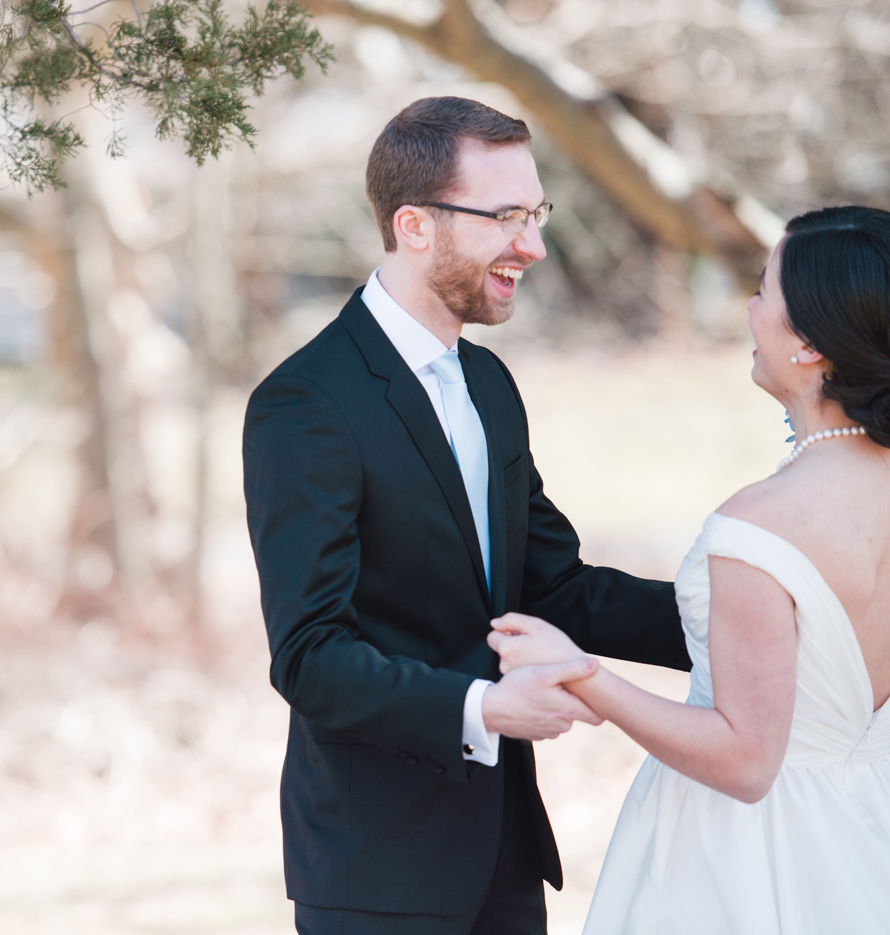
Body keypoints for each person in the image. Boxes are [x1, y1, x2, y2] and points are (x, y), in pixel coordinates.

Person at [242, 96, 691, 935]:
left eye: (537, 212)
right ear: (415, 225)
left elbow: (556, 588)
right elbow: (309, 654)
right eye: (508, 217)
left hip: (506, 858)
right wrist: (481, 709)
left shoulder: (490, 387)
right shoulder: (305, 403)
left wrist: (741, 613)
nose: (536, 245)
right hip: (377, 869)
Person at [489, 205, 890, 934]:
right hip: (885, 846)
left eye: (764, 290)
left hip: (744, 859)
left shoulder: (761, 521)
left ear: (810, 346)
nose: (751, 307)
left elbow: (744, 763)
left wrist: (581, 674)